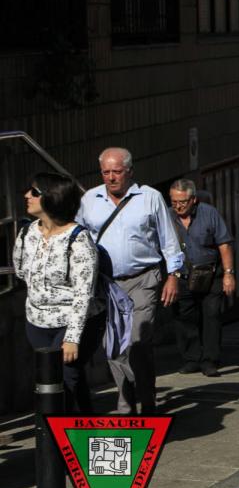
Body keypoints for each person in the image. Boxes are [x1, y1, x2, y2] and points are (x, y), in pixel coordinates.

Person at [76, 147, 184, 415]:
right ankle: (127, 397)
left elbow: (169, 240)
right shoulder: (90, 199)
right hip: (105, 284)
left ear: (130, 171)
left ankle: (145, 401)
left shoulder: (150, 197)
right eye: (106, 172)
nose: (111, 177)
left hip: (143, 279)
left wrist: (174, 276)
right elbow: (77, 238)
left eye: (117, 171)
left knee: (137, 341)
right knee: (113, 347)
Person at [15, 173, 104, 413]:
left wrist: (73, 338)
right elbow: (21, 272)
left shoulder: (78, 239)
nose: (27, 195)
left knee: (65, 378)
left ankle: (62, 431)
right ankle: (82, 425)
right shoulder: (26, 233)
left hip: (75, 321)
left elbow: (83, 294)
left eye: (34, 192)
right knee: (60, 378)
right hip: (37, 322)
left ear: (53, 198)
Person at [167, 179, 235, 377]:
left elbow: (224, 244)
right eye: (174, 201)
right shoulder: (167, 216)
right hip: (181, 275)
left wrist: (229, 274)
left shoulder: (209, 213)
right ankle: (192, 359)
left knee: (211, 315)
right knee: (184, 317)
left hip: (210, 275)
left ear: (193, 199)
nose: (178, 206)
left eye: (182, 202)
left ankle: (210, 360)